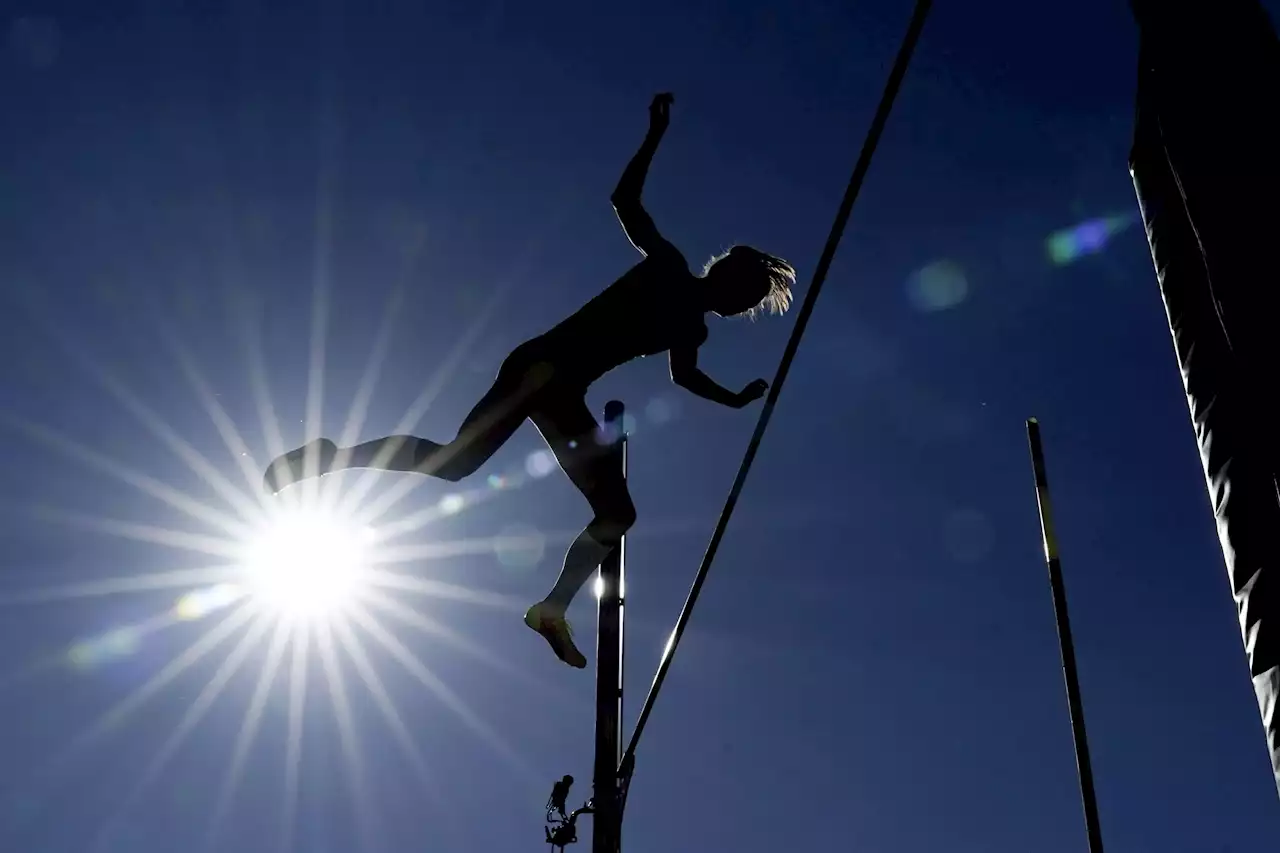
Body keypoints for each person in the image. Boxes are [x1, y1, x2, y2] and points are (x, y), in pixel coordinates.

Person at [263, 93, 796, 669]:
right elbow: (624, 200)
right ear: (724, 277)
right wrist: (654, 135)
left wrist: (736, 399)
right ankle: (331, 458)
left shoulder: (694, 330)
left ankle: (551, 609)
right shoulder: (667, 264)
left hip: (562, 390)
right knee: (455, 465)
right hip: (539, 367)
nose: (740, 305)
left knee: (610, 511)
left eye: (748, 302)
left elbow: (686, 378)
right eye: (744, 292)